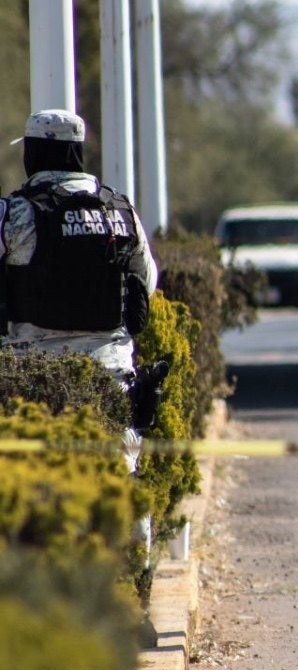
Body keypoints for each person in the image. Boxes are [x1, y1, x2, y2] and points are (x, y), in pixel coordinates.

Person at [0, 108, 158, 532]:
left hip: (31, 378)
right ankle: (134, 587)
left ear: (34, 153)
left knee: (30, 494)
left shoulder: (14, 213)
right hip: (111, 374)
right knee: (124, 482)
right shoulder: (120, 210)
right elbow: (147, 280)